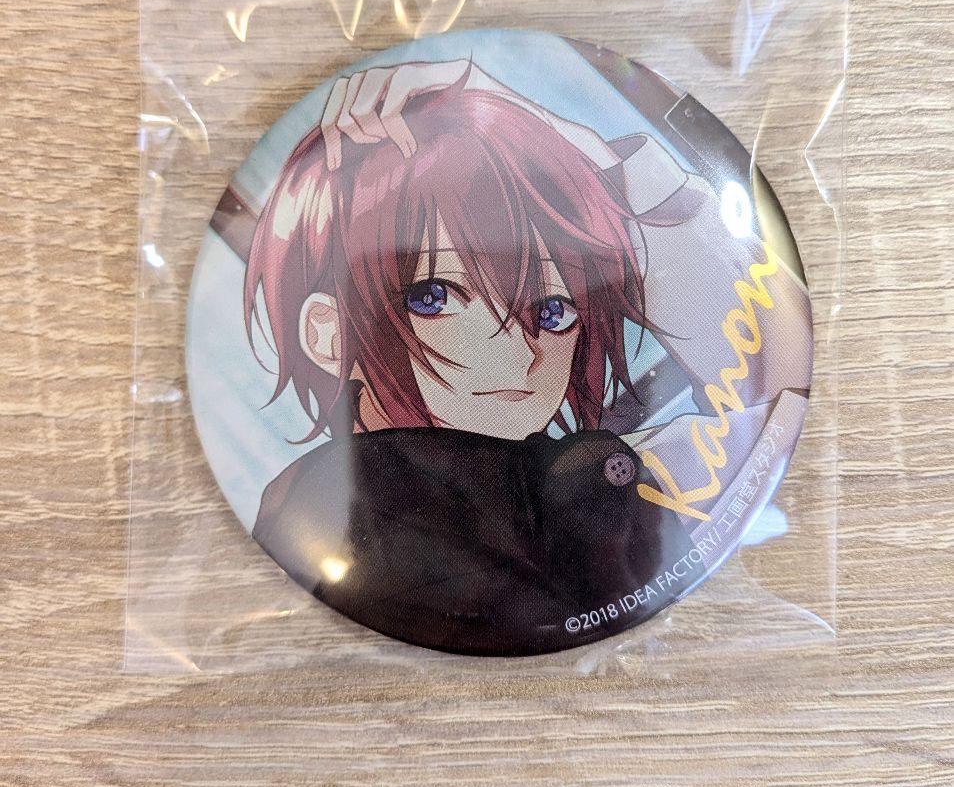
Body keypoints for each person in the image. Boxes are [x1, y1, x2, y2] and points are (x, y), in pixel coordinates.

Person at [243, 59, 811, 655]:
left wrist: (586, 159)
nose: (516, 350)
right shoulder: (330, 507)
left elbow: (784, 373)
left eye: (552, 310)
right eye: (435, 298)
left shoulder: (609, 485)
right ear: (329, 334)